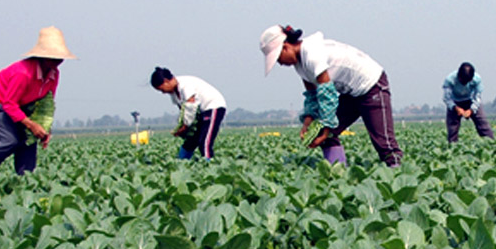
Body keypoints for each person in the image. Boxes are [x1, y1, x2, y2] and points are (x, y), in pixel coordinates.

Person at [260, 24, 403, 167]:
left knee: (384, 144)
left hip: (372, 85)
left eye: (278, 58)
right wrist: (308, 122)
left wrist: (327, 125)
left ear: (285, 47)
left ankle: (396, 175)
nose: (280, 63)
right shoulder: (300, 65)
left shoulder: (311, 54)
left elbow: (327, 94)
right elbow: (313, 95)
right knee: (324, 134)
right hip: (350, 94)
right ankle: (337, 176)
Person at [0, 27, 75, 176]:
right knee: (9, 140)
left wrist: (45, 128)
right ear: (42, 56)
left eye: (60, 57)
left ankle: (25, 179)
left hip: (23, 105)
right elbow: (9, 104)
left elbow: (46, 103)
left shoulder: (53, 74)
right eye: (53, 57)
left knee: (29, 139)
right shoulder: (23, 73)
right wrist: (31, 124)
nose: (58, 61)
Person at [149, 67, 227, 160]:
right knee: (190, 142)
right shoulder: (174, 94)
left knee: (205, 142)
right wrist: (183, 127)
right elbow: (183, 110)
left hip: (213, 106)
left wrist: (185, 127)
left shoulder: (185, 85)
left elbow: (190, 106)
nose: (163, 92)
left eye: (162, 89)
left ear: (166, 81)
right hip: (201, 112)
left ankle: (210, 166)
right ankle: (181, 163)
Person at [443, 62, 494, 143]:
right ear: (458, 76)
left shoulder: (476, 79)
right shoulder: (450, 80)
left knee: (483, 124)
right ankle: (452, 148)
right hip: (455, 102)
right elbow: (447, 98)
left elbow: (477, 97)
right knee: (452, 129)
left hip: (470, 100)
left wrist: (471, 110)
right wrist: (456, 108)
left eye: (467, 81)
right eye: (462, 81)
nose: (464, 83)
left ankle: (491, 144)